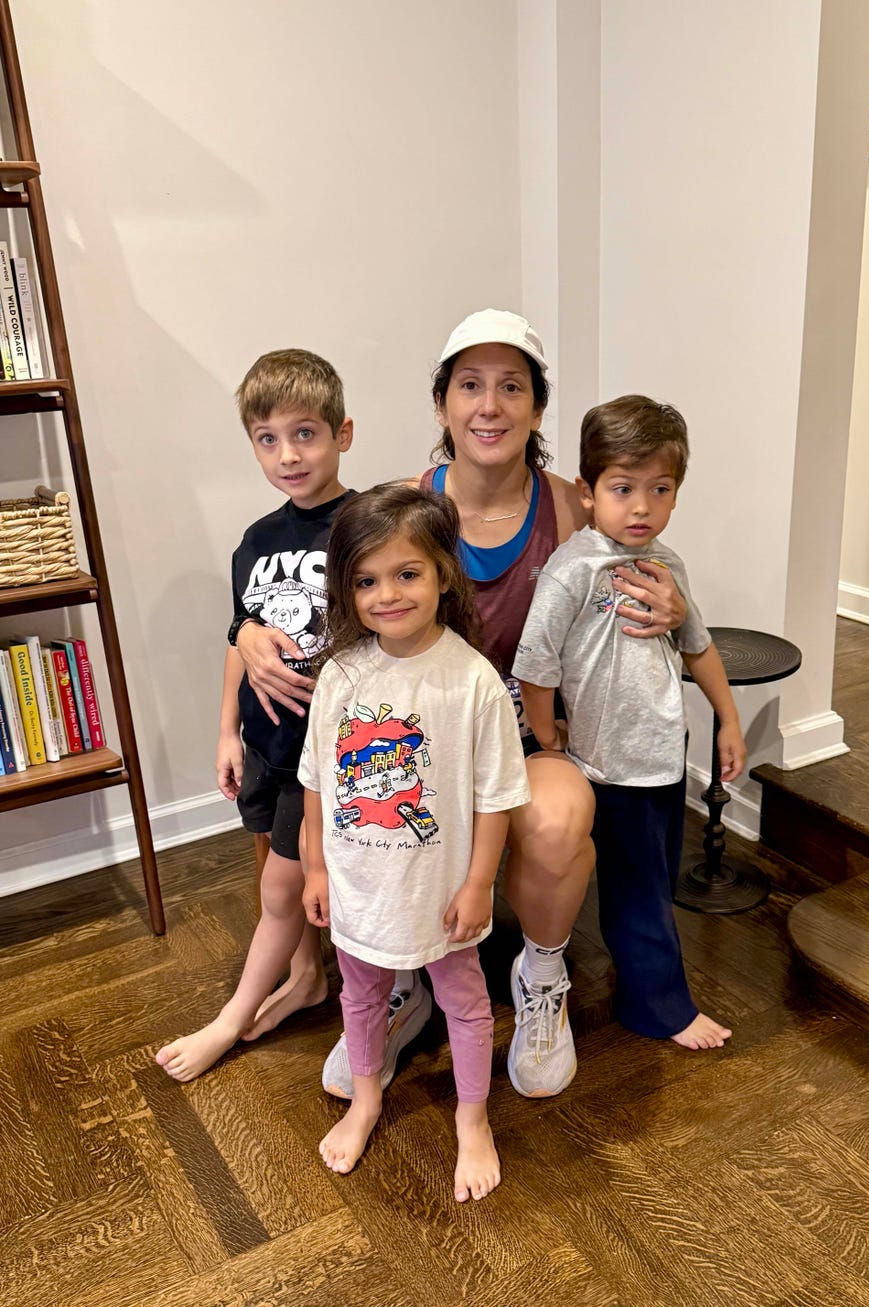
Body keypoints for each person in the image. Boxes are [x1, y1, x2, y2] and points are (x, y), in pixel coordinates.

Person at [236, 310, 687, 1099]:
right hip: (419, 740)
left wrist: (679, 611)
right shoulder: (400, 504)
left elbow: (644, 563)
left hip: (530, 735)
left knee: (554, 820)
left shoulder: (575, 507)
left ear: (538, 408)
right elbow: (311, 591)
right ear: (442, 404)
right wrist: (242, 631)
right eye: (469, 386)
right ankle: (401, 978)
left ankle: (542, 973)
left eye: (511, 386)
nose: (490, 405)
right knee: (380, 803)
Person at [299, 482, 530, 1201]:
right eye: (367, 580)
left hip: (441, 894)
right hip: (358, 886)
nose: (387, 594)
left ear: (441, 575)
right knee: (361, 997)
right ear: (346, 587)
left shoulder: (472, 682)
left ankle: (472, 1117)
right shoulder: (340, 676)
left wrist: (479, 882)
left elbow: (497, 796)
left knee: (464, 1001)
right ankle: (367, 1098)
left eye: (407, 573)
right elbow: (315, 782)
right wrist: (314, 867)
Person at [512, 394, 744, 1047]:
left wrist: (727, 717)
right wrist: (548, 736)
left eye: (660, 488)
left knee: (654, 880)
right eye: (623, 488)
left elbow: (697, 644)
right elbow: (536, 662)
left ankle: (641, 980)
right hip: (610, 763)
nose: (642, 506)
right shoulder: (572, 571)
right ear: (587, 492)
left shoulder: (669, 566)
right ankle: (658, 1006)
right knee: (639, 889)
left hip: (665, 752)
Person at [156, 348, 355, 1082]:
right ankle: (305, 977)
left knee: (281, 884)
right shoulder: (255, 541)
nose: (287, 454)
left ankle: (231, 1020)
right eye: (267, 438)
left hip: (324, 754)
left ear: (343, 433)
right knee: (271, 869)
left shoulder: (365, 526)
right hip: (266, 744)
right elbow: (242, 635)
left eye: (305, 433)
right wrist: (223, 730)